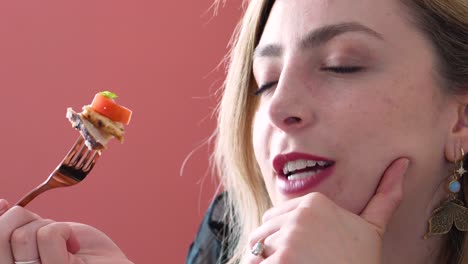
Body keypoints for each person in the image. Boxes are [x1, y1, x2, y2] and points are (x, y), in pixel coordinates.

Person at [2, 0, 468, 263]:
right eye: (264, 81)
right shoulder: (226, 231)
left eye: (340, 66)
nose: (278, 107)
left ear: (461, 117)